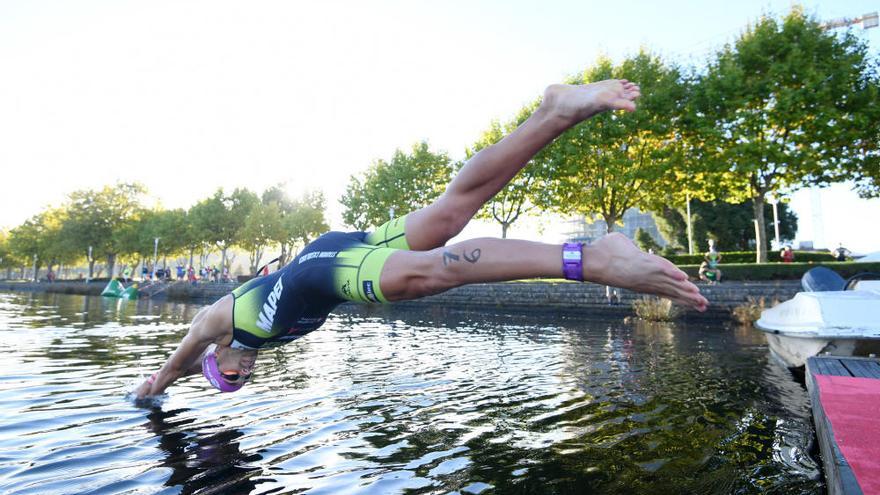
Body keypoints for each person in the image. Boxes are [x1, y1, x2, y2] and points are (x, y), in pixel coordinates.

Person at [135, 80, 708, 399]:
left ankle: (593, 259)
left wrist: (151, 390)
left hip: (321, 272)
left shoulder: (216, 323)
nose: (239, 374)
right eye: (239, 381)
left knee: (432, 271)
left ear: (216, 360)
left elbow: (173, 365)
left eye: (227, 374)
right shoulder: (254, 346)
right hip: (332, 250)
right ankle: (555, 113)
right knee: (450, 213)